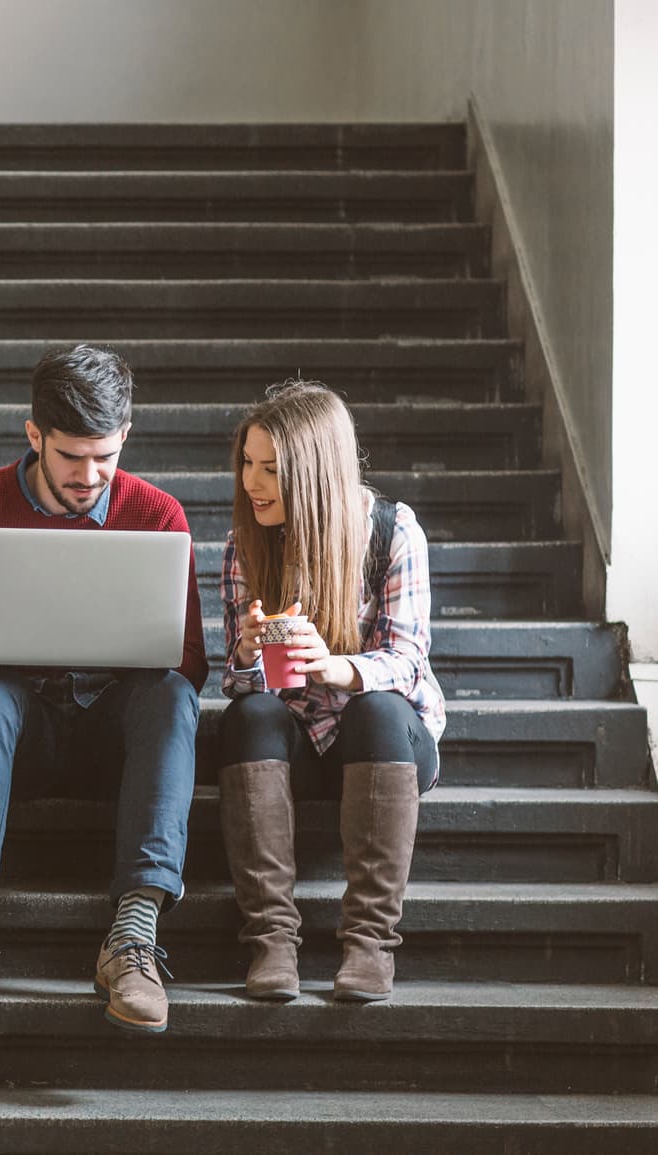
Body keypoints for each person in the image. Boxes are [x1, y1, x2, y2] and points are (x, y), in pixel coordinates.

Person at [0, 344, 208, 1036]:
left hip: (115, 735)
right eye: (71, 456)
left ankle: (133, 937)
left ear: (126, 436)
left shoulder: (159, 514)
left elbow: (190, 659)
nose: (89, 474)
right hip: (16, 738)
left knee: (169, 693)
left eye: (104, 455)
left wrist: (134, 651)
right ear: (34, 435)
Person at [217, 380, 445, 1003]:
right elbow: (238, 684)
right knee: (249, 715)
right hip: (296, 746)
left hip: (382, 744)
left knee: (376, 707)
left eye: (270, 469)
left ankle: (369, 945)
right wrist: (246, 653)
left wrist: (336, 666)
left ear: (314, 474)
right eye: (246, 463)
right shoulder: (246, 542)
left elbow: (408, 661)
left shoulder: (393, 532)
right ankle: (271, 941)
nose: (251, 483)